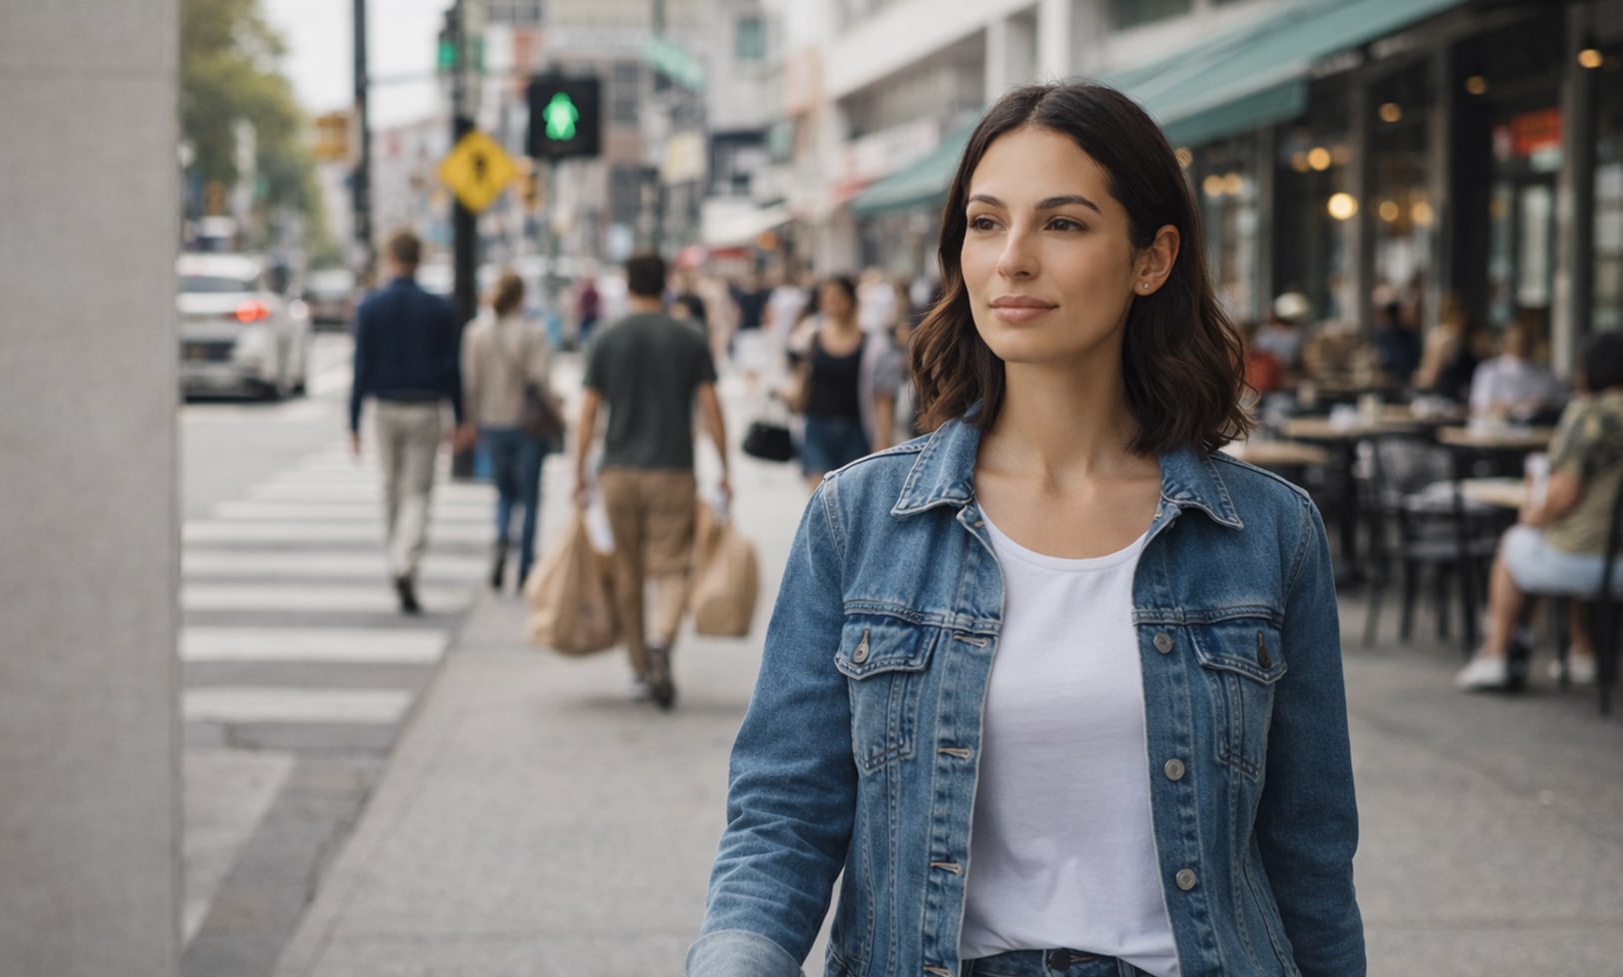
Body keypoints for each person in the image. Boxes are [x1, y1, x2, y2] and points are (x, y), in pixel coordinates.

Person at [689, 83, 1363, 977]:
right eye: (985, 221)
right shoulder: (860, 521)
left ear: (1152, 257)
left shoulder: (1268, 534)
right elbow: (781, 818)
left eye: (1064, 224)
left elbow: (1310, 861)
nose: (1011, 259)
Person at [572, 252, 733, 710]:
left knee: (627, 568)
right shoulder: (689, 336)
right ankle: (662, 638)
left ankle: (640, 666)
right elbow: (710, 405)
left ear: (627, 286)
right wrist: (724, 468)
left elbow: (587, 411)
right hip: (673, 469)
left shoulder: (607, 337)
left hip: (619, 470)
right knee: (672, 564)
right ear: (665, 285)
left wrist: (578, 473)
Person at [1454, 332, 1623, 692]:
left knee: (1515, 544)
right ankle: (1582, 653)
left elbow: (1563, 495)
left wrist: (1534, 515)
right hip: (1611, 554)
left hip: (1592, 560)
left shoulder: (1592, 415)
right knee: (1569, 536)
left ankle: (1495, 654)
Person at [349, 230, 477, 614]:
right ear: (419, 260)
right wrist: (461, 416)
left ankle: (396, 559)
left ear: (390, 258)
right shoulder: (438, 308)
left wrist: (353, 421)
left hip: (385, 406)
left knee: (391, 488)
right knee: (418, 491)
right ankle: (406, 561)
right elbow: (451, 367)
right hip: (425, 406)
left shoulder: (371, 306)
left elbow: (361, 367)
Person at [461, 270, 553, 592]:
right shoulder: (534, 332)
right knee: (530, 497)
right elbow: (541, 379)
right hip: (528, 424)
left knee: (503, 492)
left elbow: (471, 383)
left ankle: (502, 540)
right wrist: (559, 410)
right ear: (520, 297)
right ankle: (525, 565)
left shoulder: (476, 333)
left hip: (492, 421)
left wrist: (471, 422)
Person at [785, 273, 901, 489]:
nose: (832, 303)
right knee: (818, 496)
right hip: (816, 426)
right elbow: (800, 375)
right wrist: (790, 394)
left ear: (851, 301)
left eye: (837, 297)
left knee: (851, 497)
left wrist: (883, 441)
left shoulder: (873, 344)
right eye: (826, 298)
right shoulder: (811, 335)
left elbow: (883, 397)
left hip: (856, 430)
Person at [1469, 317, 1565, 422]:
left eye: (1527, 340)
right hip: (1499, 433)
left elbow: (1559, 403)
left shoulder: (1546, 373)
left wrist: (1542, 406)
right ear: (1506, 341)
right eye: (1518, 339)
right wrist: (1513, 407)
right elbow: (1480, 407)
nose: (1522, 344)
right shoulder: (1490, 371)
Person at [1413, 293, 1481, 401]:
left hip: (1444, 400)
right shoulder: (1473, 339)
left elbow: (1430, 376)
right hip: (1467, 399)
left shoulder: (1440, 337)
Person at [1371, 298, 1420, 384]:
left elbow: (1385, 359)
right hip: (1406, 379)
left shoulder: (1385, 334)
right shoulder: (1410, 334)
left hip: (1396, 381)